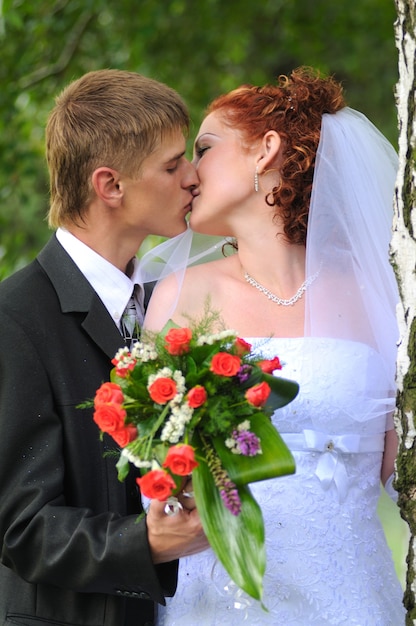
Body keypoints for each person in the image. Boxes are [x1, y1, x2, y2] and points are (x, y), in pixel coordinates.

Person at [143, 67, 406, 624]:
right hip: (217, 596)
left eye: (204, 148)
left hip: (349, 593)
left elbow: (394, 464)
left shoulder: (378, 295)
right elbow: (154, 459)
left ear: (265, 150)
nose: (187, 175)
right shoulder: (180, 295)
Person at [0, 69, 209, 626]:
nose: (194, 178)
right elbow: (20, 527)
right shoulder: (14, 317)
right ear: (110, 185)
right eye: (172, 165)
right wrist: (148, 543)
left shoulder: (168, 303)